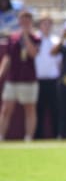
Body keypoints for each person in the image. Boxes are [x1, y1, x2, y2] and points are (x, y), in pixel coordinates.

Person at [0, 9, 40, 142]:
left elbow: (33, 53)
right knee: (6, 108)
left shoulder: (35, 37)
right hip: (13, 78)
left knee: (29, 108)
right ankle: (1, 136)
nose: (25, 23)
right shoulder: (12, 38)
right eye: (23, 20)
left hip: (28, 79)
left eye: (27, 20)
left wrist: (26, 37)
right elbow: (8, 57)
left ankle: (28, 137)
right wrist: (1, 73)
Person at [34, 12, 62, 139]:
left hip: (52, 79)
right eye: (44, 23)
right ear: (40, 25)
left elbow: (59, 61)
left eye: (49, 24)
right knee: (38, 110)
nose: (46, 26)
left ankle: (56, 135)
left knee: (55, 109)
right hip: (38, 80)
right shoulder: (34, 39)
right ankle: (37, 136)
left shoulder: (56, 40)